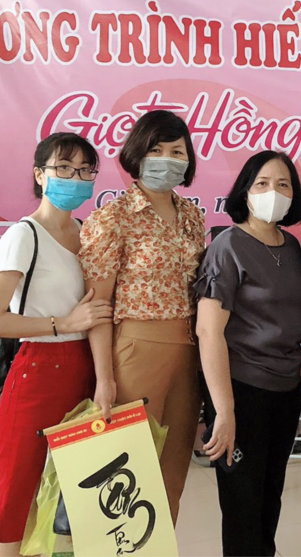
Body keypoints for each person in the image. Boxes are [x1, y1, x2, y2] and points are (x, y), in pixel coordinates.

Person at [0, 132, 114, 557]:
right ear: (40, 174)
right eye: (63, 168)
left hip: (85, 370)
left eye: (85, 170)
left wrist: (105, 379)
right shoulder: (24, 235)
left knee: (78, 499)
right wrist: (62, 323)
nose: (75, 177)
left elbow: (98, 312)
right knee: (20, 495)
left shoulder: (88, 233)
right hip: (38, 370)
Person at [80, 110, 206, 524]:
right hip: (136, 349)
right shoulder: (112, 218)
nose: (167, 159)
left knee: (172, 475)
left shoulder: (193, 216)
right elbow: (97, 308)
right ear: (137, 154)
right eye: (157, 149)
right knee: (126, 475)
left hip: (190, 353)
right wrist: (104, 379)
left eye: (177, 151)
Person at [195, 151, 301, 557]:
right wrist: (223, 411)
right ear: (245, 191)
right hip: (240, 390)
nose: (272, 192)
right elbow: (209, 331)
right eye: (262, 183)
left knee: (269, 499)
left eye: (283, 184)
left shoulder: (291, 246)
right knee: (242, 506)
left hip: (285, 389)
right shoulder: (227, 246)